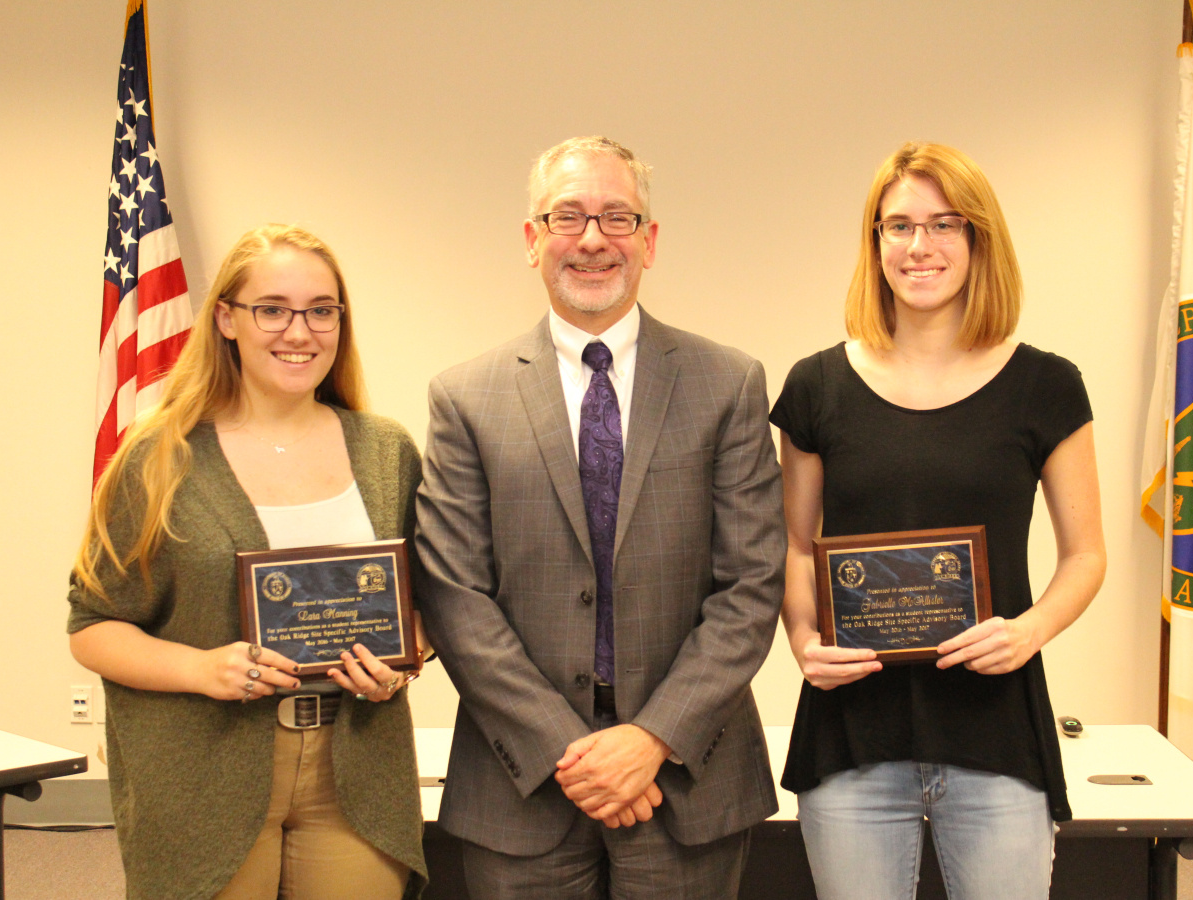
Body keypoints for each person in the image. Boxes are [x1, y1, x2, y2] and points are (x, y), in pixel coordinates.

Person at [414, 136, 785, 899]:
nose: (592, 239)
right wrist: (567, 751)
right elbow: (455, 596)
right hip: (520, 782)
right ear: (532, 240)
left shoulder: (727, 383)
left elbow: (750, 585)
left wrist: (651, 739)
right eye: (568, 216)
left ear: (649, 241)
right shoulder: (465, 397)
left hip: (686, 777)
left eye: (618, 218)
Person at [772, 142, 1106, 900]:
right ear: (876, 243)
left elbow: (1086, 555)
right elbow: (795, 544)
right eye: (898, 226)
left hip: (996, 734)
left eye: (944, 224)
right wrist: (800, 640)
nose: (919, 246)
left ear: (979, 238)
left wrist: (1031, 629)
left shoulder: (1046, 386)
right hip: (851, 734)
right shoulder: (817, 385)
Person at [68, 224, 427, 900]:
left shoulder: (386, 451)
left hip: (357, 769)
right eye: (274, 309)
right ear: (227, 319)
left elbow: (428, 603)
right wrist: (200, 668)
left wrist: (404, 657)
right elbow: (92, 625)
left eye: (322, 310)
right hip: (203, 772)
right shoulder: (159, 458)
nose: (301, 331)